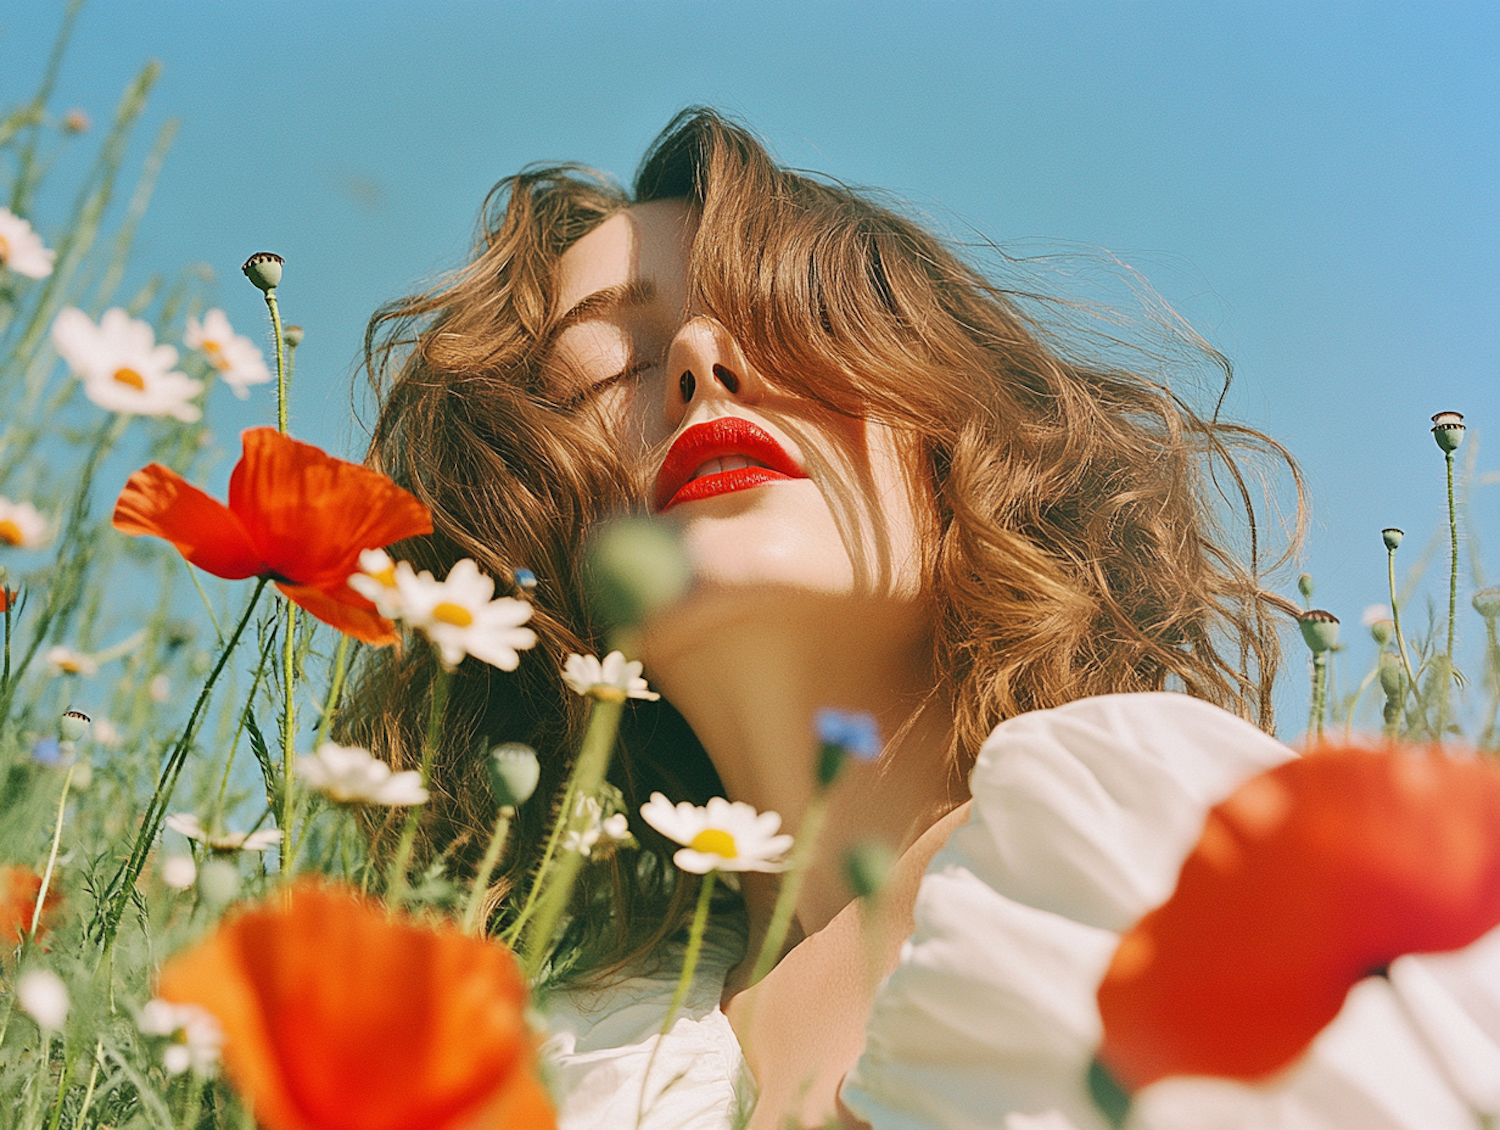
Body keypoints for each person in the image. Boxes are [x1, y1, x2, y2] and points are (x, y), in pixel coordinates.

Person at [347, 110, 1500, 1129]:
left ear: (953, 437)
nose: (701, 355)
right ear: (538, 533)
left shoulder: (1136, 827)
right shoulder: (562, 1058)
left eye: (784, 313)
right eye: (614, 365)